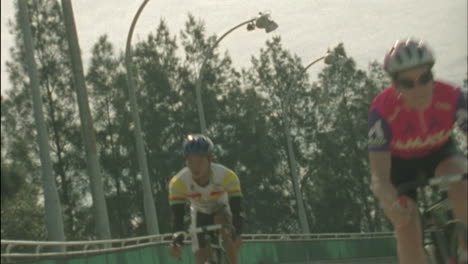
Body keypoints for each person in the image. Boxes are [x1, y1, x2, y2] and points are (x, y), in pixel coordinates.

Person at [368, 38, 467, 264]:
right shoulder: (381, 110)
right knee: (406, 226)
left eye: (425, 78)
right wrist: (390, 202)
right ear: (395, 85)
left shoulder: (452, 96)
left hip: (441, 154)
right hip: (400, 166)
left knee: (460, 176)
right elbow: (380, 177)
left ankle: (465, 249)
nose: (419, 88)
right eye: (408, 83)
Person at [168, 134, 243, 264]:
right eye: (190, 161)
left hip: (221, 207)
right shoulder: (178, 183)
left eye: (200, 161)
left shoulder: (227, 176)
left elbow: (237, 210)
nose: (195, 166)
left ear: (210, 159)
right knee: (200, 257)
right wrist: (177, 242)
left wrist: (237, 233)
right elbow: (178, 218)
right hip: (198, 212)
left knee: (226, 230)